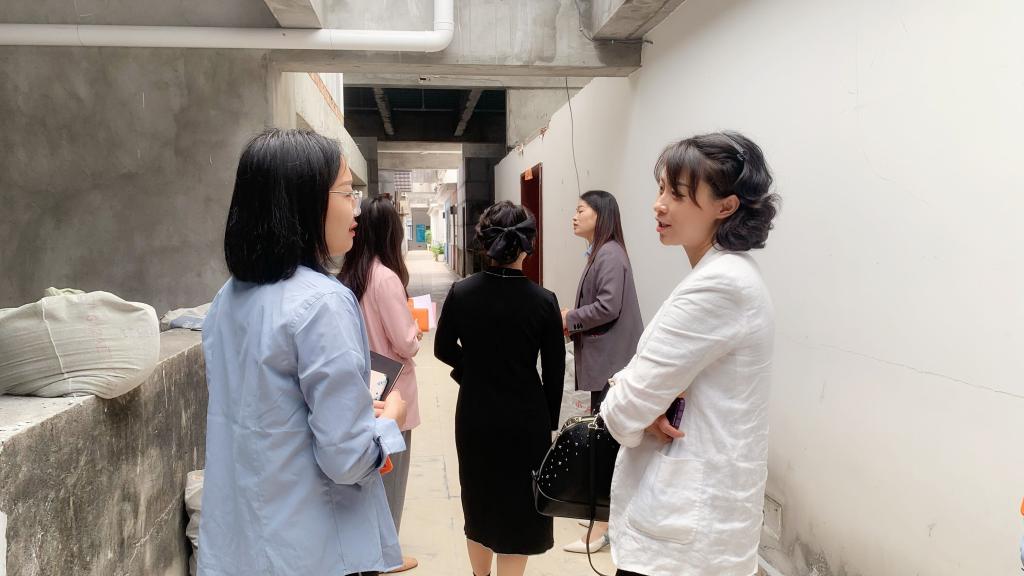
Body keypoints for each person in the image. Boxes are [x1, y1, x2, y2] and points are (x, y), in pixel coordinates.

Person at [199, 128, 408, 576]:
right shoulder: (322, 302)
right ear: (303, 200)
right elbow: (347, 460)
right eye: (346, 192)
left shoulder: (227, 299)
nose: (356, 208)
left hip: (244, 545)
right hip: (316, 550)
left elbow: (262, 414)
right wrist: (387, 422)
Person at [600, 131, 779, 576]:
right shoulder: (728, 274)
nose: (659, 205)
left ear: (726, 207)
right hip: (694, 526)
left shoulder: (720, 285)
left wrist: (633, 399)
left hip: (684, 543)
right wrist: (645, 400)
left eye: (677, 194)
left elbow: (622, 411)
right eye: (661, 189)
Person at [434, 200, 565, 576]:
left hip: (475, 413)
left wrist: (473, 372)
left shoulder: (461, 292)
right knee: (519, 507)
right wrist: (548, 424)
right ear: (527, 245)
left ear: (484, 243)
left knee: (479, 498)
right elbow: (554, 373)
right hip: (526, 418)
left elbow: (443, 349)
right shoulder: (544, 302)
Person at [338, 196, 422, 573]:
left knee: (370, 476)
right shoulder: (385, 277)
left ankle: (371, 550)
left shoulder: (349, 275)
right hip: (393, 390)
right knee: (392, 473)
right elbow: (405, 342)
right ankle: (387, 555)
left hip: (362, 386)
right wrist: (416, 330)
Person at [560, 190, 643, 555]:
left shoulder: (609, 254)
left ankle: (605, 528)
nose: (574, 216)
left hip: (613, 364)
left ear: (601, 214)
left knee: (607, 444)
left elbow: (608, 306)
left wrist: (570, 318)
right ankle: (605, 514)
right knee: (605, 439)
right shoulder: (603, 251)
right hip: (609, 361)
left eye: (581, 210)